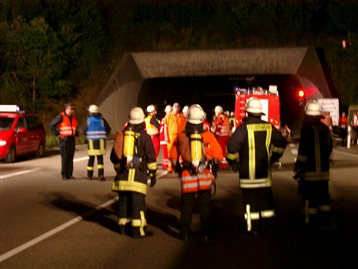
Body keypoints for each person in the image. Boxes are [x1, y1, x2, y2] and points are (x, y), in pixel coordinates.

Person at [226, 97, 287, 236]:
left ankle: (252, 228)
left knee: (250, 203)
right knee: (267, 203)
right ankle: (270, 227)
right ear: (260, 113)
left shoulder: (243, 129)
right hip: (264, 174)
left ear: (247, 113)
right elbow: (281, 143)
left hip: (248, 176)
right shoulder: (268, 127)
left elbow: (232, 147)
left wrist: (234, 164)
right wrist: (273, 158)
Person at [170, 104, 223, 240]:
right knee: (205, 204)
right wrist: (214, 171)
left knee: (187, 205)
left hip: (187, 175)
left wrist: (178, 170)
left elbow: (174, 158)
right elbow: (218, 156)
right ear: (202, 119)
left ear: (187, 118)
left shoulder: (181, 136)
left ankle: (184, 233)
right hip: (204, 174)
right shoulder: (208, 136)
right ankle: (207, 233)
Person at [110, 107, 157, 238]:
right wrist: (152, 174)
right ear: (142, 122)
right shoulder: (145, 137)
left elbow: (113, 157)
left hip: (122, 177)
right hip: (138, 178)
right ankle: (138, 232)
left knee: (123, 202)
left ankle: (122, 228)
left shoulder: (122, 135)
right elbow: (151, 158)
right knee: (138, 206)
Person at [293, 100, 333, 230]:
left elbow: (303, 152)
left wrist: (298, 166)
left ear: (308, 116)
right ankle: (325, 221)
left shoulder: (306, 130)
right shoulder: (326, 130)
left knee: (310, 199)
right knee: (324, 198)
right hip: (324, 174)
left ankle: (309, 222)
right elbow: (329, 148)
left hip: (309, 174)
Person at [49, 103, 78, 180]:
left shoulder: (73, 118)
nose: (73, 111)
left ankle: (70, 174)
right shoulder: (61, 116)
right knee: (65, 157)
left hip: (71, 139)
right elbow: (51, 126)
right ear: (67, 108)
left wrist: (76, 134)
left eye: (74, 109)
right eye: (72, 109)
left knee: (70, 157)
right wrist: (57, 134)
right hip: (64, 140)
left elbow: (73, 128)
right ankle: (64, 174)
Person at [82, 104, 111, 180]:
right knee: (100, 159)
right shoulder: (102, 120)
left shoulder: (88, 121)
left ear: (90, 112)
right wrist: (104, 135)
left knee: (91, 159)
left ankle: (89, 176)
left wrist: (88, 135)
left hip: (91, 142)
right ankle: (100, 176)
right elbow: (108, 129)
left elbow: (83, 130)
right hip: (101, 142)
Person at [165, 102, 187, 172]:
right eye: (175, 107)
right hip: (171, 136)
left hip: (180, 136)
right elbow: (165, 126)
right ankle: (170, 167)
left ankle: (176, 166)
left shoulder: (181, 117)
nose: (176, 108)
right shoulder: (168, 116)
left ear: (179, 108)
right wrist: (166, 136)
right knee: (170, 152)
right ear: (173, 108)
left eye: (177, 107)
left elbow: (184, 128)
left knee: (179, 152)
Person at [160, 105, 172, 169]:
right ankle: (165, 164)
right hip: (165, 137)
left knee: (166, 151)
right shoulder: (167, 118)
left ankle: (165, 163)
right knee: (166, 151)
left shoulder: (163, 118)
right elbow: (165, 128)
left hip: (163, 137)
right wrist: (166, 137)